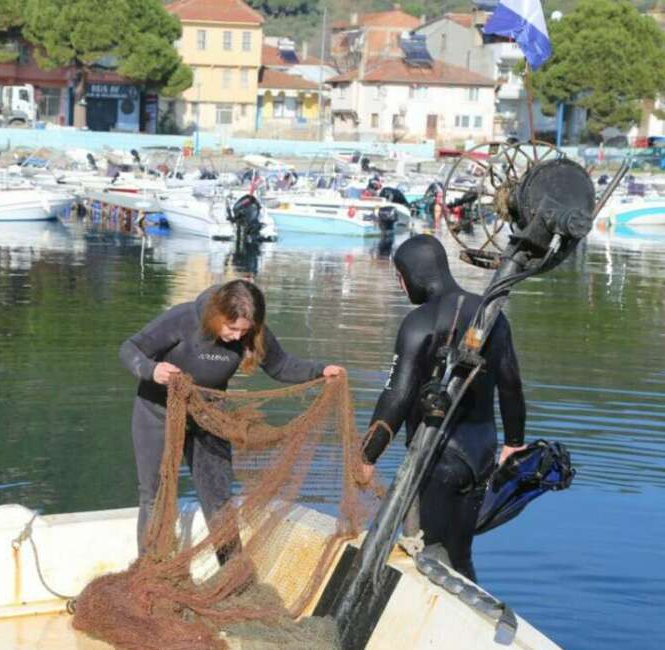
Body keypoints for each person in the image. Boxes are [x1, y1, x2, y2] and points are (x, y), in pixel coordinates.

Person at [119, 280, 345, 554]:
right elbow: (130, 349)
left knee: (218, 497)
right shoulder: (183, 318)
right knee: (155, 494)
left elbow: (281, 365)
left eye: (244, 331)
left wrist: (321, 371)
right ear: (217, 316)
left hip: (209, 416)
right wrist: (151, 370)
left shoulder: (252, 332)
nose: (238, 337)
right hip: (157, 413)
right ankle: (151, 569)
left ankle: (231, 574)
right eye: (231, 328)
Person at [358, 235, 527, 581]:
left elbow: (398, 395)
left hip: (438, 456)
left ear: (413, 276)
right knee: (460, 556)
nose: (400, 285)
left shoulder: (421, 321)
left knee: (424, 550)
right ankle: (470, 623)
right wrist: (514, 443)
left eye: (400, 277)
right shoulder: (491, 314)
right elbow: (511, 385)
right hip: (481, 454)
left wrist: (366, 456)